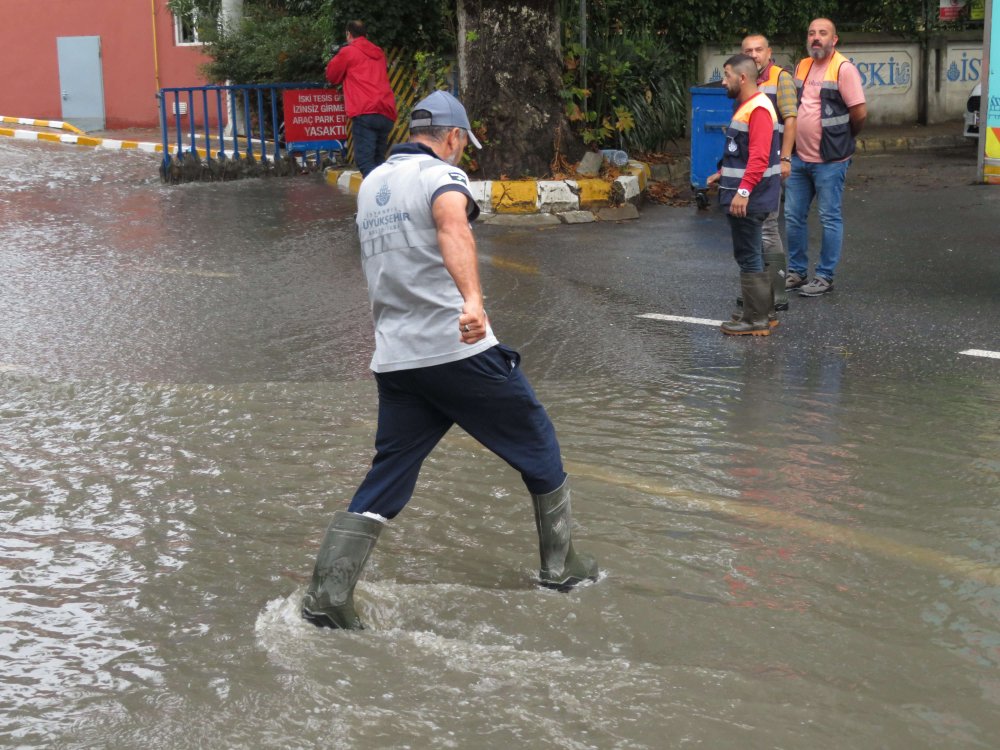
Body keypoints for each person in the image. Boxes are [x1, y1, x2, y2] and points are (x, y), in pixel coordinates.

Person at [302, 90, 599, 630]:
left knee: (389, 475)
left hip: (396, 359)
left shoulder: (371, 184)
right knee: (537, 439)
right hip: (453, 349)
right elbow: (451, 224)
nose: (462, 153)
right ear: (453, 136)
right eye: (463, 143)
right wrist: (473, 300)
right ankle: (562, 567)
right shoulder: (442, 177)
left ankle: (327, 595)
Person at [785, 18, 867, 297]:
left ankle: (824, 276)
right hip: (799, 158)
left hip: (830, 161)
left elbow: (859, 113)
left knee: (829, 217)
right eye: (811, 33)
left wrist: (844, 140)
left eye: (822, 33)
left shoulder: (843, 69)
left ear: (835, 39)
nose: (815, 38)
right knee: (793, 216)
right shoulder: (802, 66)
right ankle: (796, 272)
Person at [707, 54, 782, 337]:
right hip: (751, 195)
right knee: (755, 252)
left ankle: (756, 320)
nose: (723, 81)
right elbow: (743, 152)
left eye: (726, 75)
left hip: (751, 198)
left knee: (748, 254)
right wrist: (723, 174)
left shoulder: (758, 109)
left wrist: (742, 191)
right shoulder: (749, 106)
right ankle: (764, 311)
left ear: (742, 78)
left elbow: (760, 157)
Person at [740, 34, 797, 317]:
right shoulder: (745, 81)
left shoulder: (780, 78)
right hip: (751, 166)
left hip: (771, 166)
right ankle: (758, 290)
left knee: (768, 227)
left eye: (758, 50)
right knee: (753, 228)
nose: (753, 55)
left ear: (769, 52)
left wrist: (785, 158)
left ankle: (777, 292)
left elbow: (791, 119)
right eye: (748, 50)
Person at [325, 20, 397, 177]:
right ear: (366, 34)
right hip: (386, 110)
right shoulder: (378, 52)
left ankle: (376, 197)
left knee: (365, 162)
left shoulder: (348, 52)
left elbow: (332, 76)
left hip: (365, 111)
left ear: (349, 34)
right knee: (379, 161)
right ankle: (384, 196)